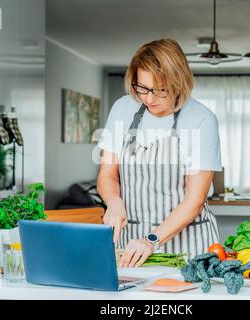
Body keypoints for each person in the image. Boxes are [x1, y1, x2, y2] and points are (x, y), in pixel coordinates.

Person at [97, 38, 222, 268]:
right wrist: (113, 200)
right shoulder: (122, 109)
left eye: (160, 90)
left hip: (189, 248)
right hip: (131, 247)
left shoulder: (201, 119)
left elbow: (194, 200)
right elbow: (107, 175)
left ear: (179, 82)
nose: (149, 98)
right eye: (142, 88)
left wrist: (151, 240)